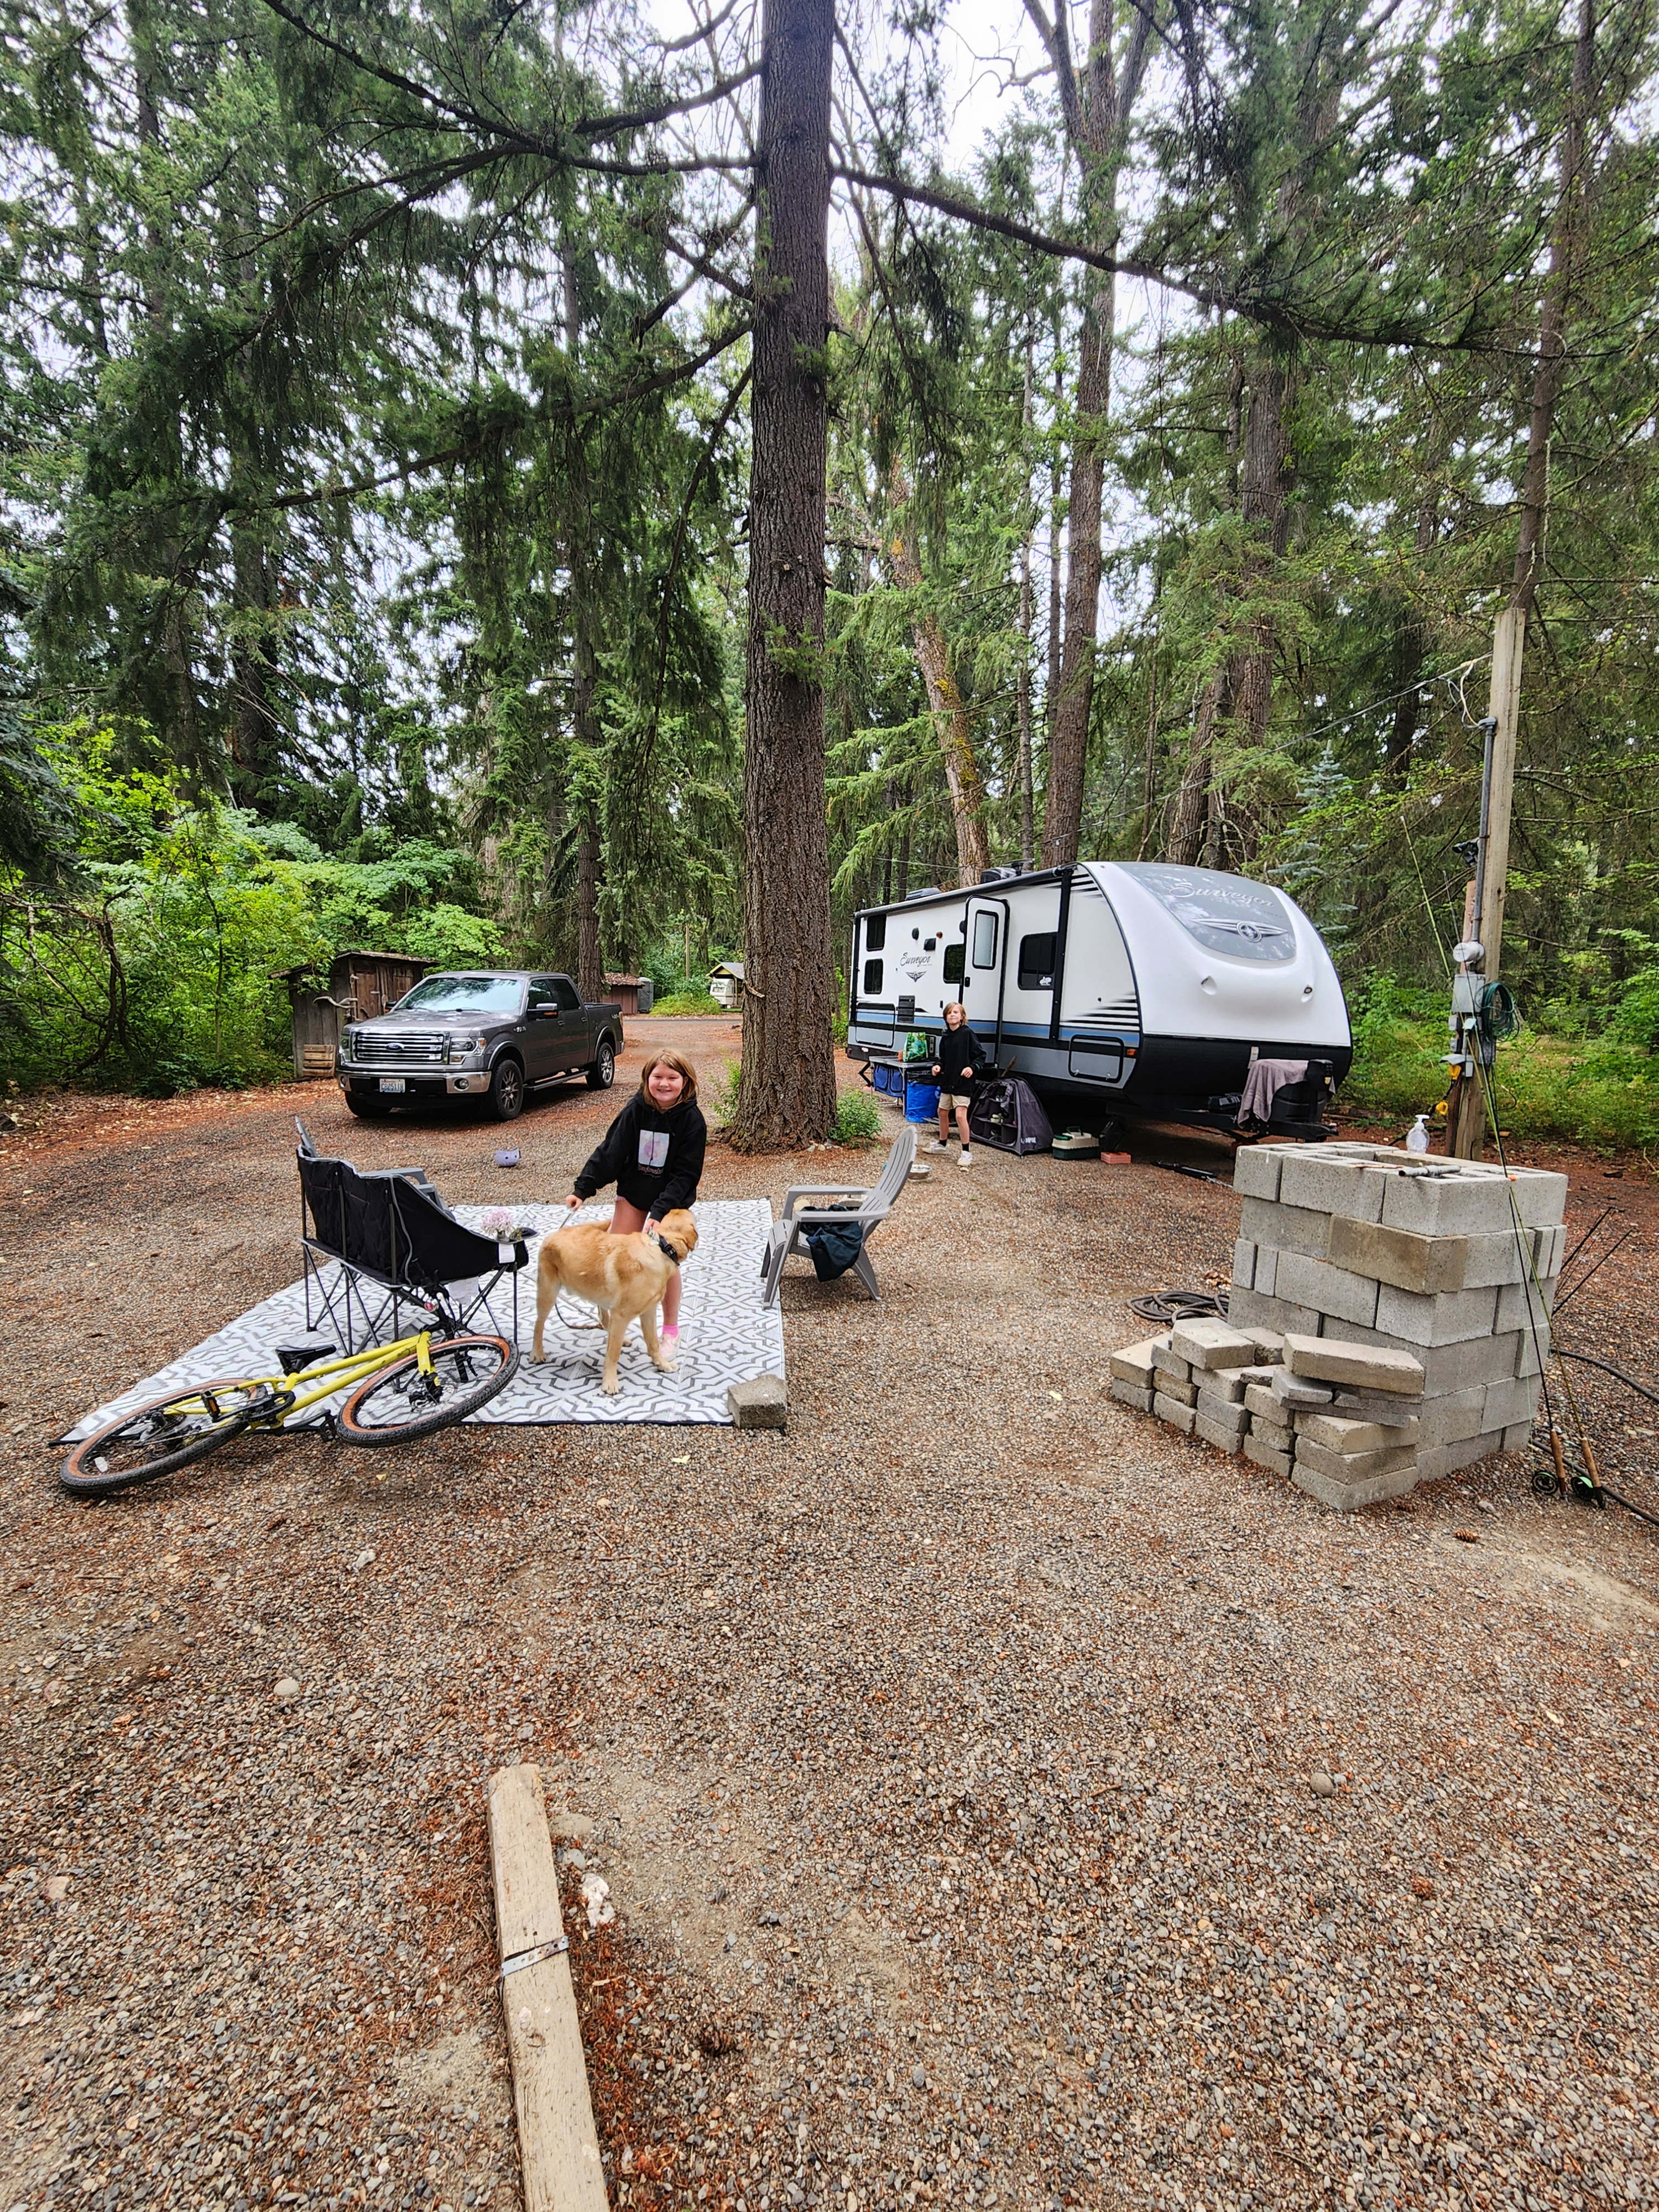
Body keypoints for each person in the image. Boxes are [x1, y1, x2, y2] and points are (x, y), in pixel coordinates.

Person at [566, 1050, 706, 1344]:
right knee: (617, 1253)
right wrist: (583, 1188)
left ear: (685, 1081)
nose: (664, 1084)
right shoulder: (635, 1109)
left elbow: (686, 1175)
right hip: (634, 1193)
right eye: (658, 1077)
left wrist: (659, 1212)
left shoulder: (692, 1120)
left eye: (672, 1078)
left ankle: (670, 1330)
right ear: (647, 1079)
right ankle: (609, 1319)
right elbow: (611, 1152)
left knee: (665, 1261)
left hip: (671, 1202)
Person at [928, 1002, 985, 1168]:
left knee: (960, 1116)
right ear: (946, 1017)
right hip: (948, 1082)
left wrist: (972, 1068)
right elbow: (943, 1059)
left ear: (962, 1017)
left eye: (956, 1012)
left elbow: (981, 1056)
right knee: (942, 1112)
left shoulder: (968, 1034)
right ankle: (942, 1144)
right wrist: (938, 1066)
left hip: (963, 1083)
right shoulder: (946, 1037)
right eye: (949, 1013)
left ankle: (966, 1152)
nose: (952, 1015)